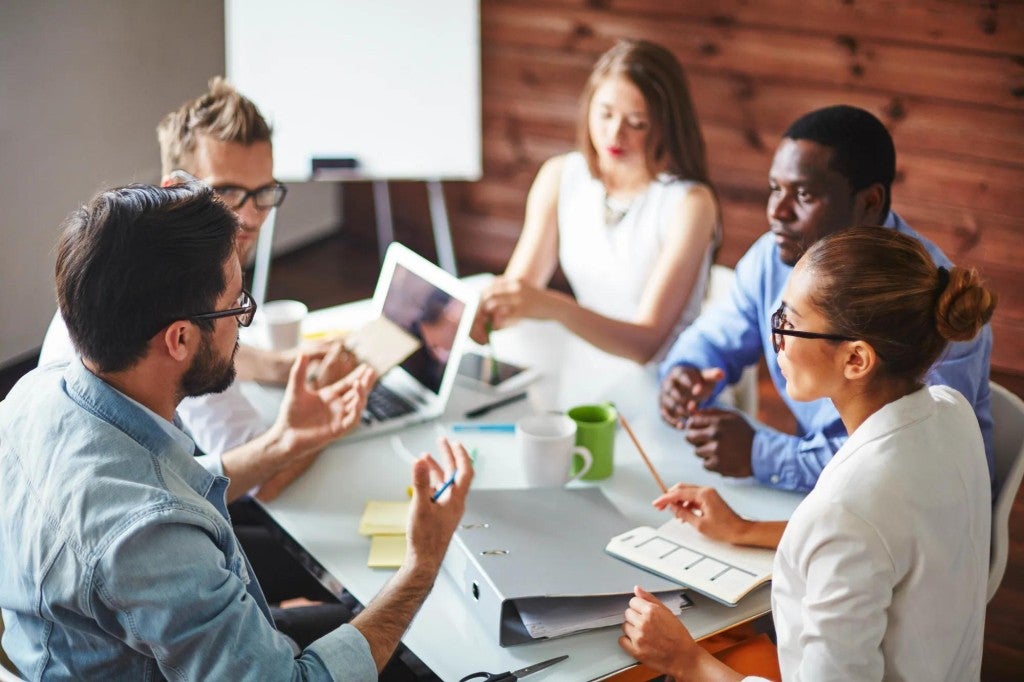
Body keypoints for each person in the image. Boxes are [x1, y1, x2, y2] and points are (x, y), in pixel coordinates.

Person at [0, 184, 474, 680]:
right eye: (236, 305)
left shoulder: (37, 393)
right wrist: (422, 563)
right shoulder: (150, 538)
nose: (242, 323)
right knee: (421, 655)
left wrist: (286, 441)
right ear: (179, 338)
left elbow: (149, 486)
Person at [621, 227, 995, 680]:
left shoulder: (849, 508)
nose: (775, 335)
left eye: (789, 322)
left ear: (856, 360)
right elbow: (886, 545)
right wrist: (743, 529)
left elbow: (856, 530)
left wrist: (685, 659)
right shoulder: (952, 414)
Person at [659, 104, 993, 492]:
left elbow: (910, 464)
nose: (777, 212)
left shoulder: (930, 301)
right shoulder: (773, 255)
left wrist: (762, 454)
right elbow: (714, 337)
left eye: (803, 194)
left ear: (869, 201)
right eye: (774, 189)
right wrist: (685, 373)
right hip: (835, 497)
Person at [476, 39, 720, 363]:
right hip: (589, 361)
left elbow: (645, 345)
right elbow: (519, 291)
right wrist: (480, 316)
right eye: (605, 114)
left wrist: (553, 306)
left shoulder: (691, 204)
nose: (615, 134)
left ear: (666, 125)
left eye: (637, 123)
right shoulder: (561, 175)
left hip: (668, 379)